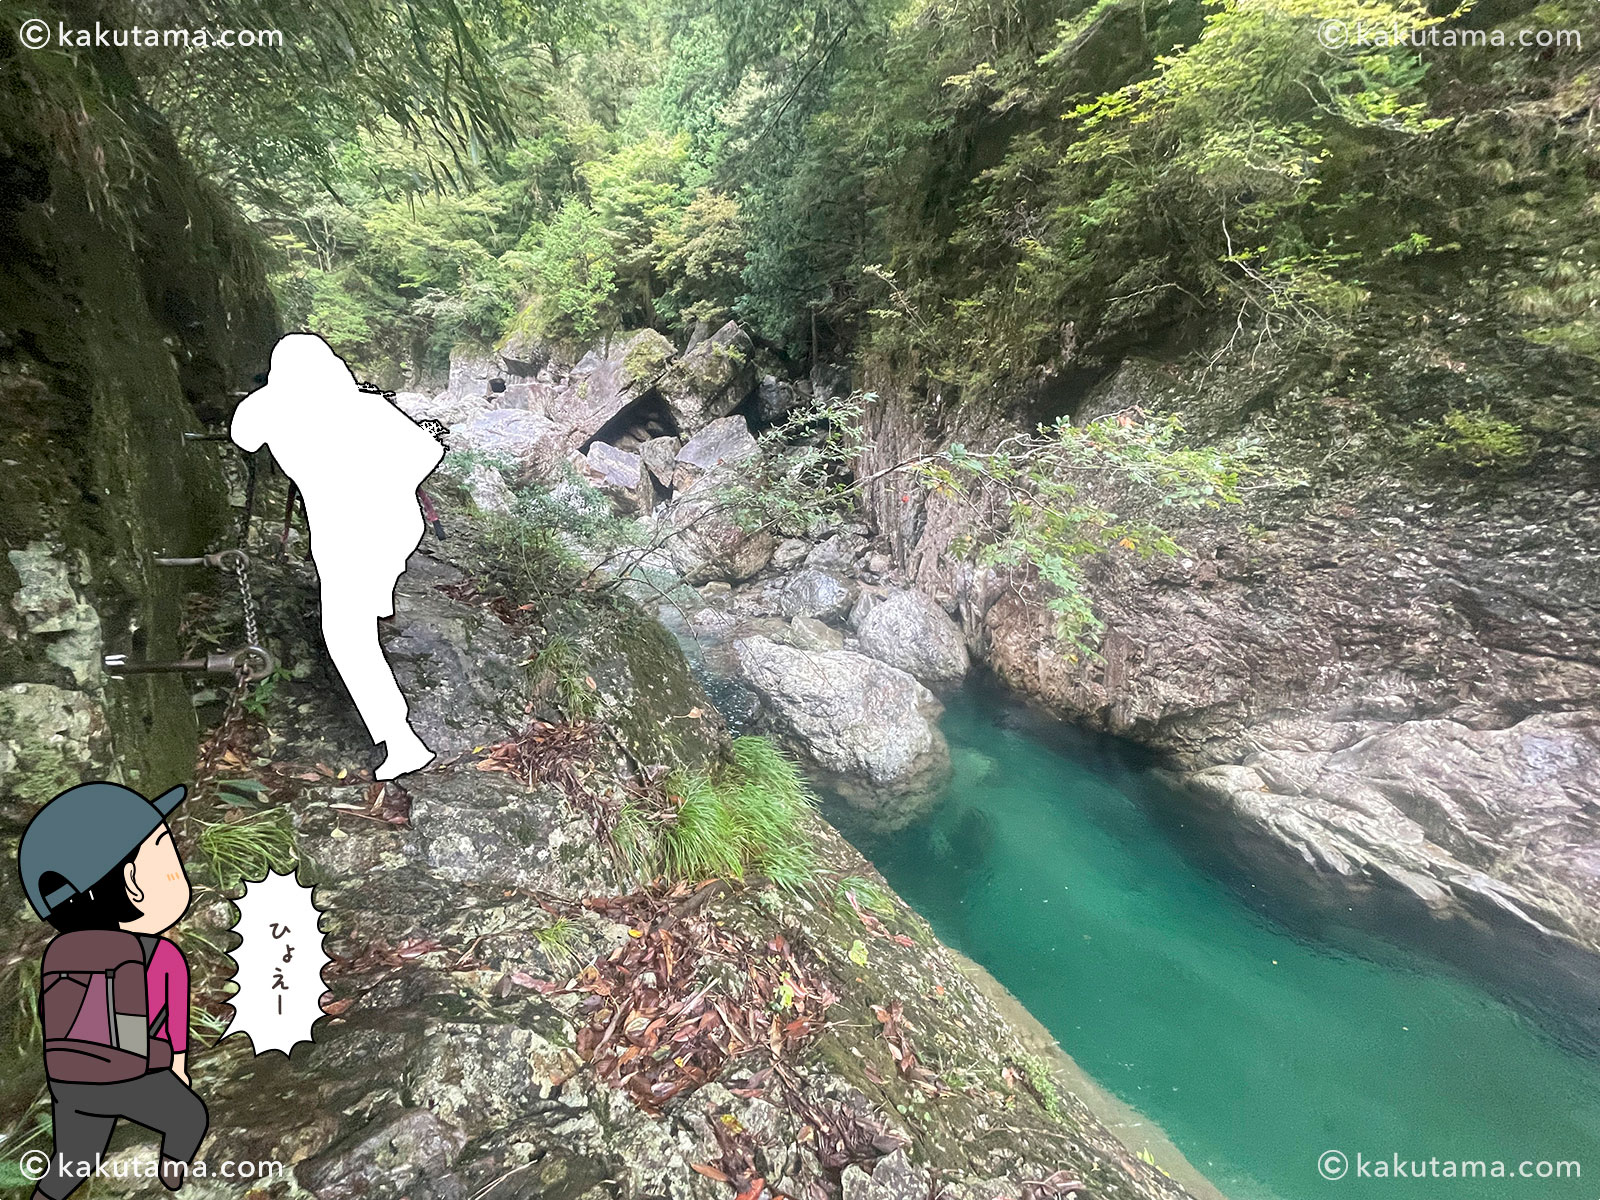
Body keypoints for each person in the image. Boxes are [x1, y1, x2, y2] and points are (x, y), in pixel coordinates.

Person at [231, 333, 444, 780]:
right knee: (362, 608)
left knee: (347, 635)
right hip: (396, 525)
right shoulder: (366, 406)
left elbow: (242, 434)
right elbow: (429, 449)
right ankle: (376, 605)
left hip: (346, 535)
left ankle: (401, 741)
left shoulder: (275, 409)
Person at [17, 782, 209, 1196]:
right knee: (190, 1118)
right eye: (167, 854)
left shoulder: (58, 951)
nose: (178, 867)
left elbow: (55, 1019)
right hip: (131, 1076)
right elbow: (172, 1028)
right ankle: (172, 1169)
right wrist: (176, 1068)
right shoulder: (163, 956)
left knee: (75, 1160)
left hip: (69, 1080)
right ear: (133, 883)